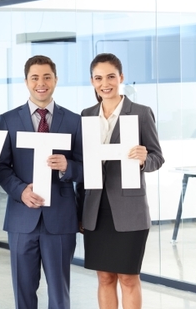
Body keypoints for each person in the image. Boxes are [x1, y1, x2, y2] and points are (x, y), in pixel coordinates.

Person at [0, 55, 83, 309]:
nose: (41, 83)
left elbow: (86, 169)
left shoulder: (74, 121)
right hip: (22, 218)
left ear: (56, 80)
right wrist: (21, 191)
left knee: (59, 292)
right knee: (23, 292)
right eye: (35, 77)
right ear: (26, 82)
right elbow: (0, 167)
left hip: (61, 218)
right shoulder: (8, 119)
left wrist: (68, 168)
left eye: (47, 77)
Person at [79, 53, 164, 309]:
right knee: (104, 277)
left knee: (128, 278)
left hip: (130, 211)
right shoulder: (86, 115)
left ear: (121, 78)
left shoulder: (140, 113)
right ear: (92, 81)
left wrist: (143, 159)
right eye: (98, 78)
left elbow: (157, 158)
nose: (105, 83)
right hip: (95, 210)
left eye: (111, 77)